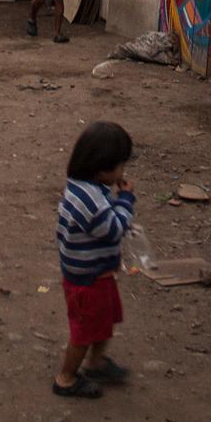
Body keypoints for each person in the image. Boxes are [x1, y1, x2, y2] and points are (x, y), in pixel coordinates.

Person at [53, 121, 136, 399]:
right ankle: (65, 379)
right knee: (83, 333)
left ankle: (96, 362)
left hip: (93, 273)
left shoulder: (83, 187)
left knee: (103, 322)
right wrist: (126, 200)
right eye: (120, 166)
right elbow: (114, 230)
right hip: (87, 281)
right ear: (102, 169)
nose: (122, 172)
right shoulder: (92, 201)